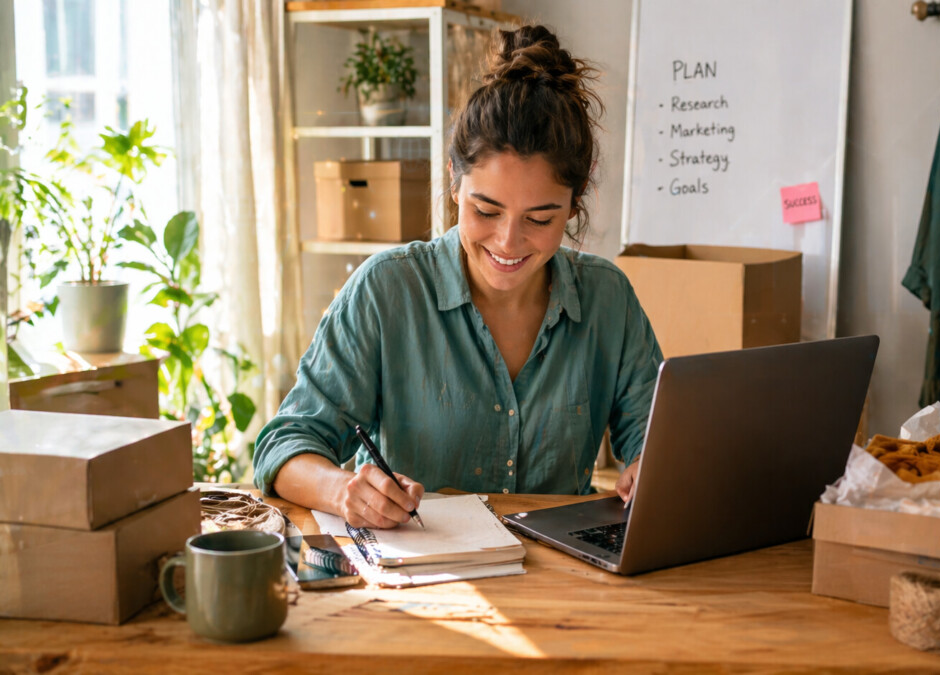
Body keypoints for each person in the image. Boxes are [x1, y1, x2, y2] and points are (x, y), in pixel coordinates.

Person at [253, 25, 663, 530]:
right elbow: (285, 443)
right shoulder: (387, 290)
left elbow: (657, 439)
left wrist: (651, 469)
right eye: (486, 210)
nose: (508, 243)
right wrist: (343, 491)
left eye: (540, 219)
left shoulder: (607, 298)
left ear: (574, 204)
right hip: (418, 586)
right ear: (453, 178)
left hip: (564, 577)